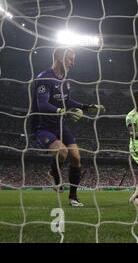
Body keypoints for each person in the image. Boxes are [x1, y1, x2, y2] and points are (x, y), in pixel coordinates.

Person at [31, 47, 105, 207]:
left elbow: (68, 100)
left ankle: (73, 197)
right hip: (42, 126)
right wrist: (62, 111)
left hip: (60, 125)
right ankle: (54, 173)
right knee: (62, 152)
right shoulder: (44, 78)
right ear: (59, 57)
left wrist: (87, 106)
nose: (73, 63)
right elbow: (42, 104)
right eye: (70, 59)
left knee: (77, 157)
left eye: (73, 59)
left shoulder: (66, 80)